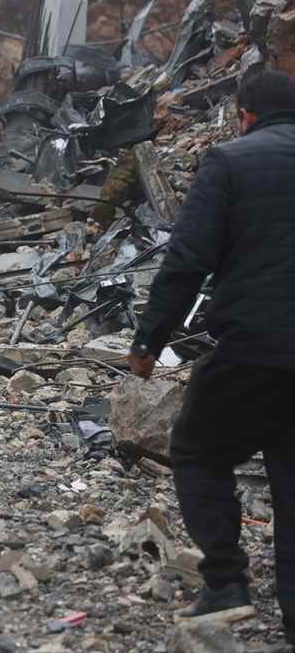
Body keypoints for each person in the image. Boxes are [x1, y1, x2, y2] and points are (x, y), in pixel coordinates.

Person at [128, 70, 294, 640]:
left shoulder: (229, 161)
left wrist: (150, 339)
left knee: (197, 448)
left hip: (254, 348)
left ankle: (225, 582)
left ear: (244, 114)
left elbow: (187, 260)